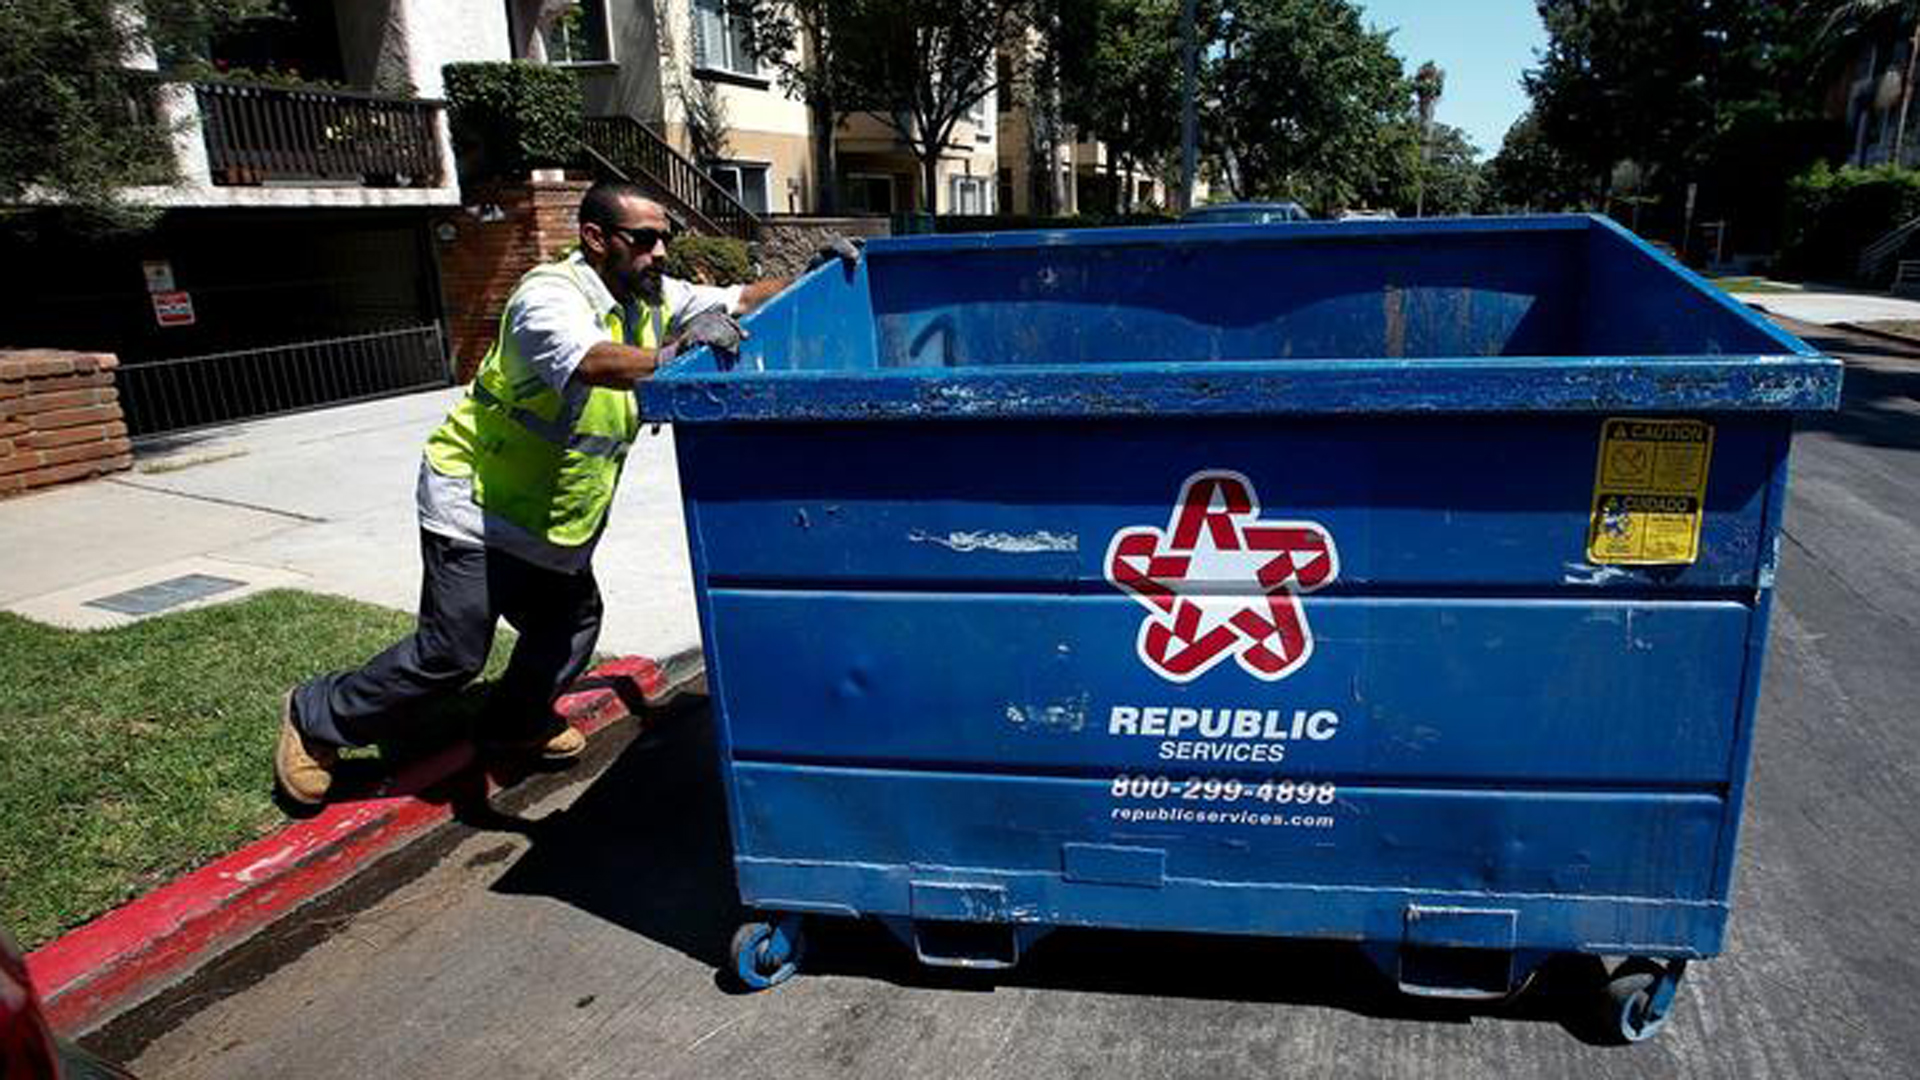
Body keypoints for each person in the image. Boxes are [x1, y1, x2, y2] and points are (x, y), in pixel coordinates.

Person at [274, 179, 857, 805]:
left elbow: (740, 300)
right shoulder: (548, 297)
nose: (660, 252)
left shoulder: (650, 294)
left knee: (571, 625)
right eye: (645, 240)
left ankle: (513, 725)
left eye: (666, 238)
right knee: (453, 652)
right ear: (596, 238)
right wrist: (674, 351)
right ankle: (318, 717)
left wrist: (809, 279)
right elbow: (590, 361)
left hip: (554, 514)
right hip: (476, 499)